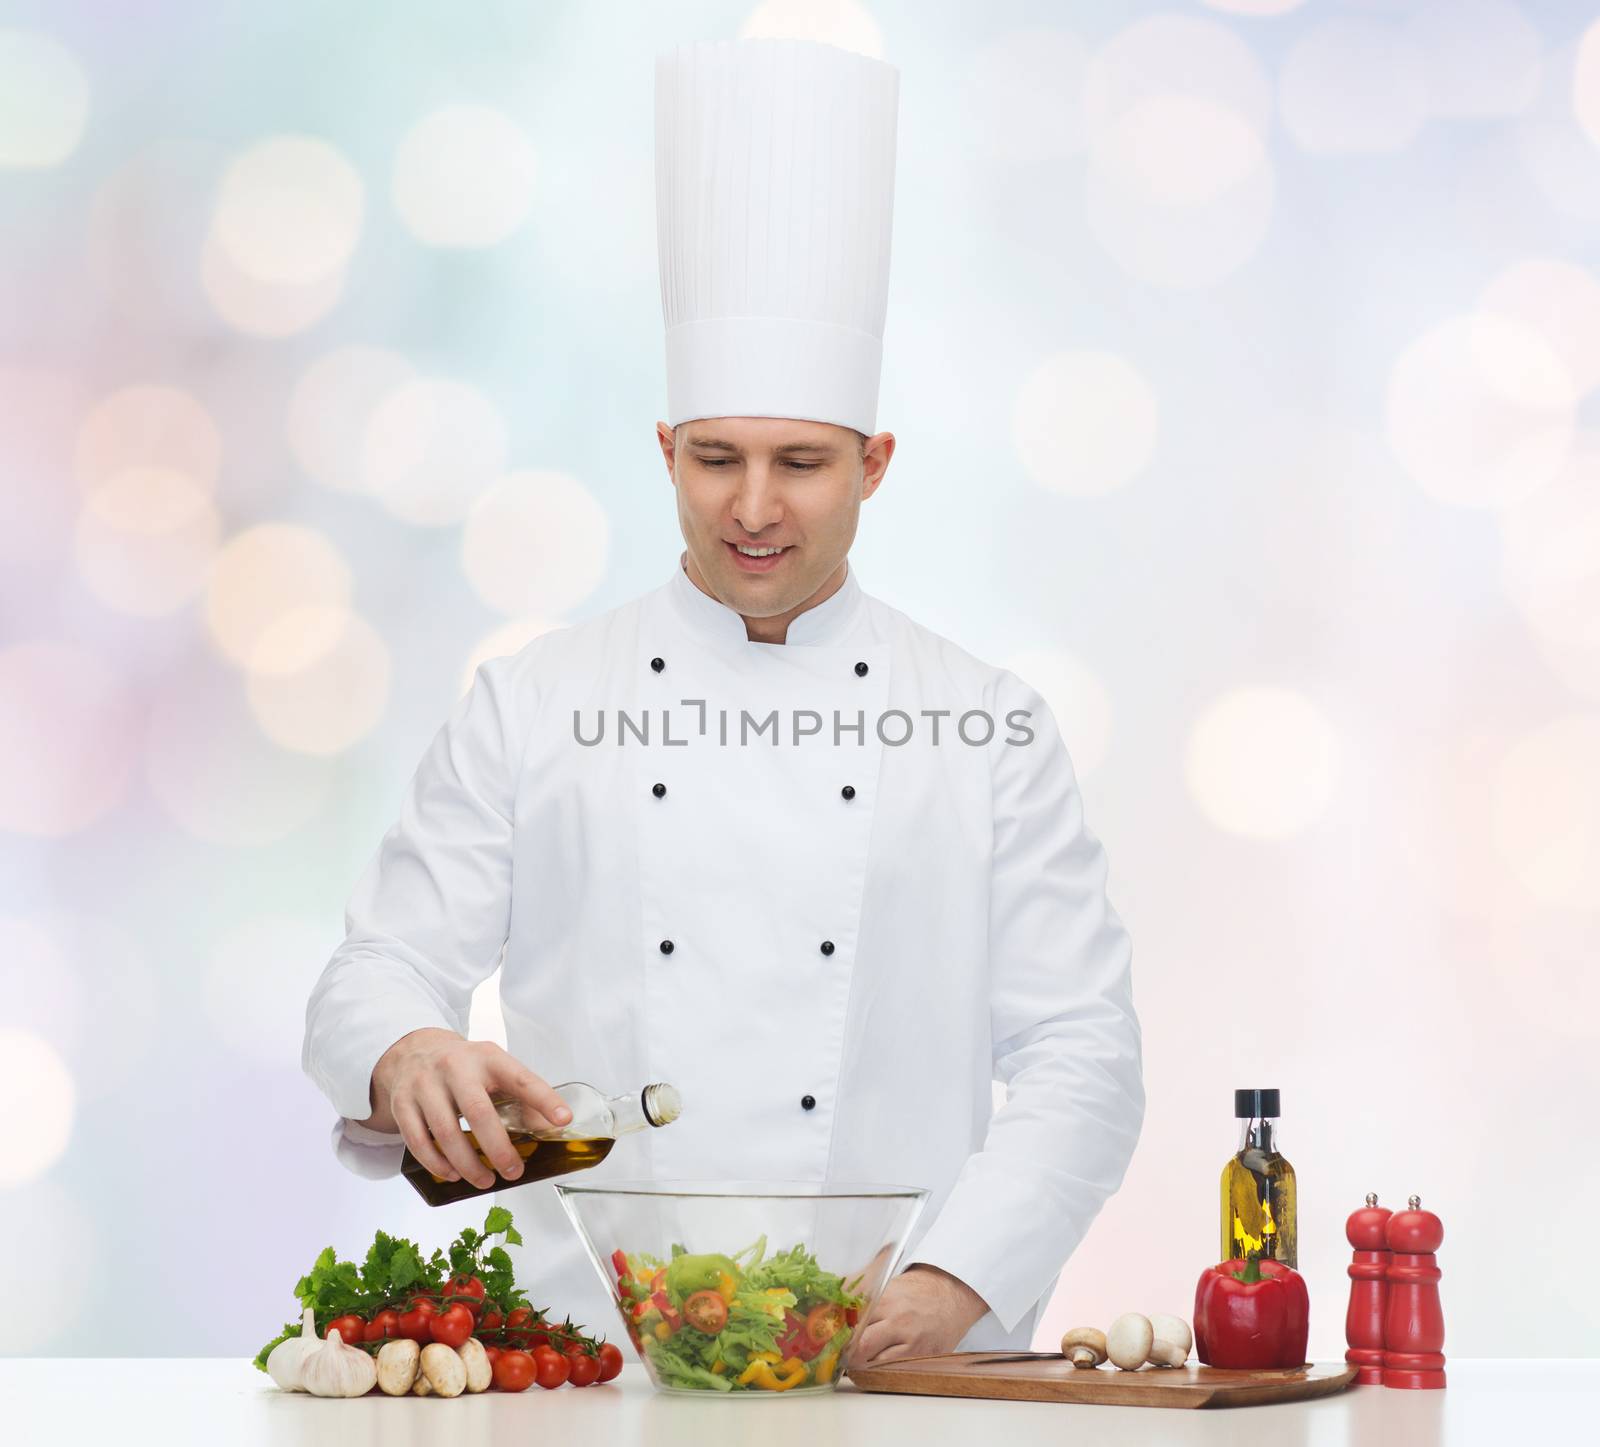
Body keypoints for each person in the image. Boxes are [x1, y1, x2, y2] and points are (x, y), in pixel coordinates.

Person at [302, 36, 1144, 1369]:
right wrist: (404, 1044)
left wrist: (955, 1281)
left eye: (800, 463)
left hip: (890, 1353)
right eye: (717, 461)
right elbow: (377, 967)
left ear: (873, 464)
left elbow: (1082, 1052)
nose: (754, 508)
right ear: (664, 452)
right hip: (590, 1361)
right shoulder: (534, 703)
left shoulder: (988, 729)